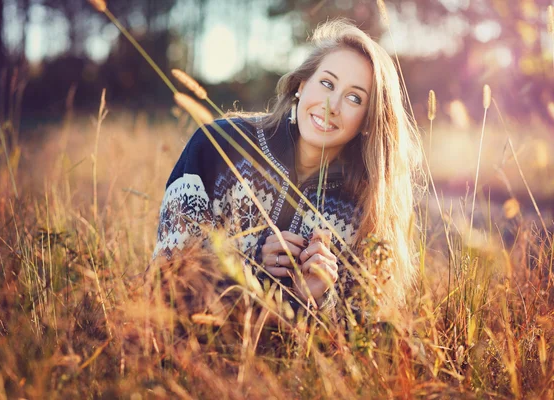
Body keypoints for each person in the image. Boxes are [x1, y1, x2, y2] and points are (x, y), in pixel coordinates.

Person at [152, 19, 421, 323]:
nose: (331, 105)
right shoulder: (218, 146)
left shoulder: (367, 203)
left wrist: (318, 298)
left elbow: (361, 331)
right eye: (327, 83)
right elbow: (167, 276)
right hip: (191, 357)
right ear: (301, 85)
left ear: (369, 121)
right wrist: (251, 267)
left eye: (354, 97)